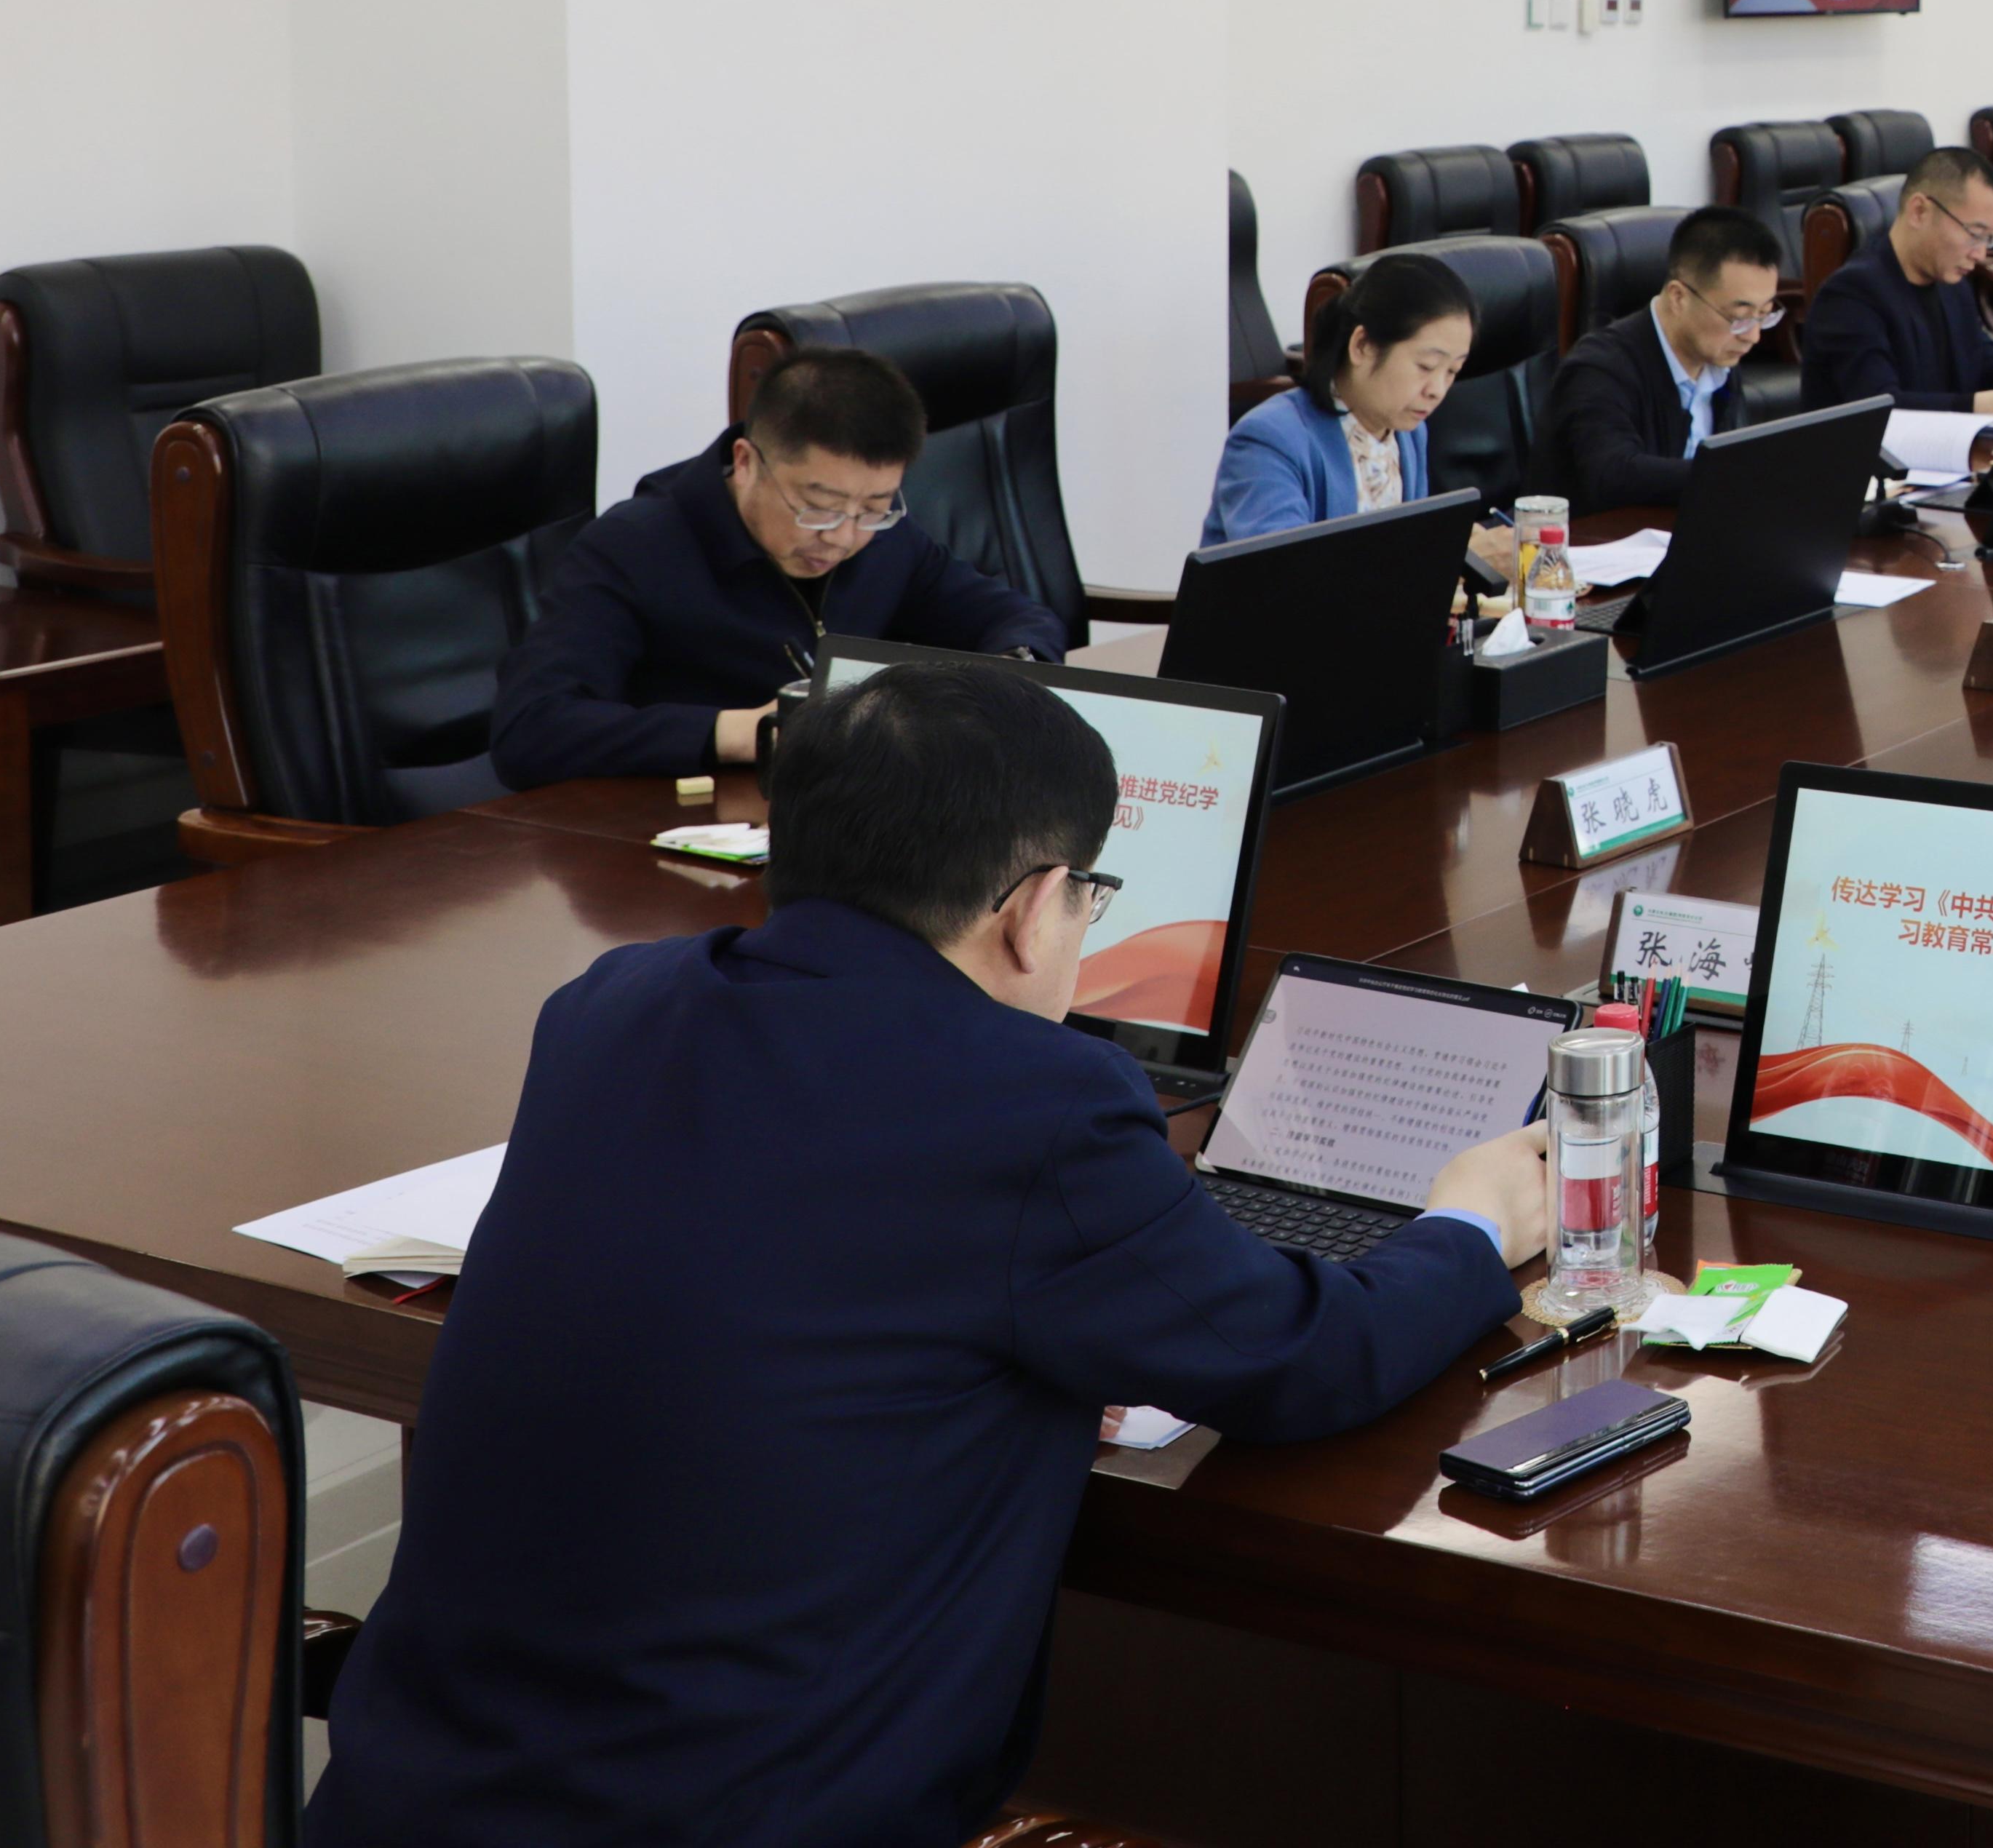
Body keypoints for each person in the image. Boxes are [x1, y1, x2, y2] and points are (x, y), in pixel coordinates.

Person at [308, 658, 1548, 1848]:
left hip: (407, 1798)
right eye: (1092, 896)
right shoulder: (1035, 1104)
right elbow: (1305, 1361)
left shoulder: (609, 1005)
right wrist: (1472, 1222)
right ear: (1032, 911)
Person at [492, 345, 1062, 788]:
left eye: (873, 508)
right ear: (746, 463)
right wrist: (745, 730)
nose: (842, 538)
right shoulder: (634, 548)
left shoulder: (884, 540)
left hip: (834, 821)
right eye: (817, 507)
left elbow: (1017, 618)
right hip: (668, 841)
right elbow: (532, 730)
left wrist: (1016, 674)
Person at [1199, 247, 1524, 580]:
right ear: (1362, 346)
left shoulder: (1409, 432)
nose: (1437, 390)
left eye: (1452, 371)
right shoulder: (1270, 439)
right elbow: (1286, 578)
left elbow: (1403, 553)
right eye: (1426, 366)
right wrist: (1451, 558)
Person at [1545, 204, 1786, 509]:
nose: (1753, 336)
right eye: (1740, 317)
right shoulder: (1598, 368)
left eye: (1764, 314)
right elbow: (1613, 475)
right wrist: (1735, 473)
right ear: (1678, 297)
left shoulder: (1720, 357)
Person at [1800, 148, 1993, 422]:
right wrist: (1985, 406)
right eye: (1975, 234)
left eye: (1991, 238)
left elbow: (1986, 368)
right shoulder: (1850, 296)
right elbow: (1879, 409)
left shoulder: (1952, 283)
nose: (1981, 254)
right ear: (1919, 211)